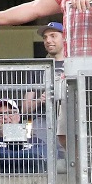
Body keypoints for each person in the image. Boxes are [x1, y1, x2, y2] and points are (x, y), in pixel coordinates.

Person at [23, 22, 66, 154]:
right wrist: (41, 100)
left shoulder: (75, 64)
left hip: (71, 121)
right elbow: (25, 108)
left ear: (65, 38)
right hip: (43, 124)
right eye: (45, 37)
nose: (48, 40)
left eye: (53, 36)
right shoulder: (39, 68)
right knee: (44, 159)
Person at [0, 99, 47, 174]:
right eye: (0, 114)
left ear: (18, 117)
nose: (5, 117)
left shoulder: (35, 143)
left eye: (10, 113)